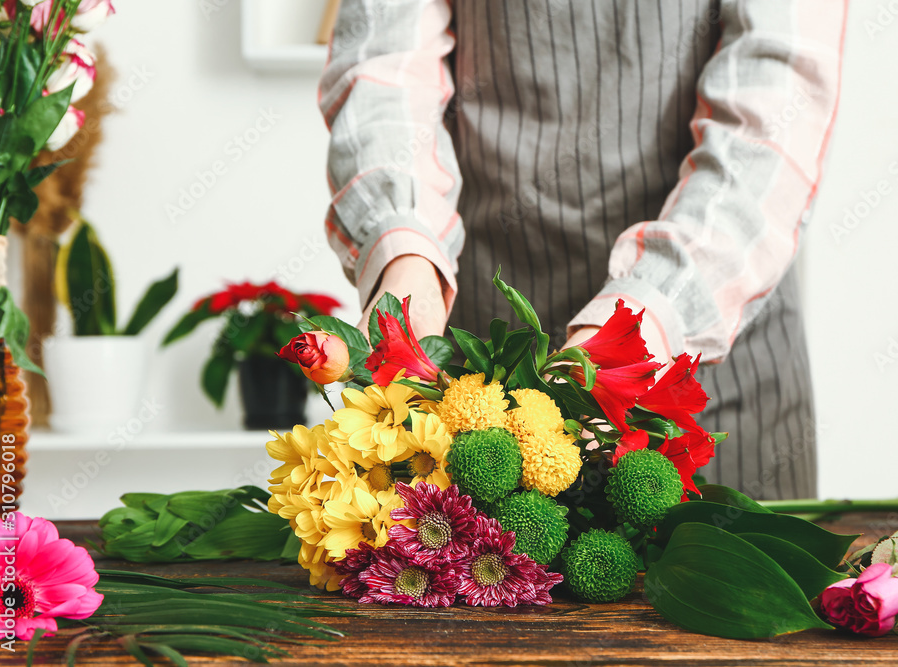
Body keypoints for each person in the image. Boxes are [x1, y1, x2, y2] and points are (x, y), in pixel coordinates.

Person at [318, 0, 847, 500]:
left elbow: (775, 109)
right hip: (476, 351)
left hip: (708, 354)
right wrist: (407, 258)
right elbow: (385, 65)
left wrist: (629, 338)